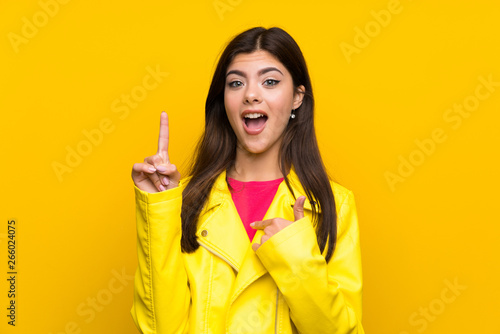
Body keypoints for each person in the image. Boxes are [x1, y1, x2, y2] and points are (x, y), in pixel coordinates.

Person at [130, 26, 364, 334]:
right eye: (236, 83)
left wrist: (296, 258)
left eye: (270, 81)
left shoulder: (332, 205)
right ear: (224, 100)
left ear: (297, 97)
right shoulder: (183, 199)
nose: (251, 94)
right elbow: (159, 329)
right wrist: (158, 210)